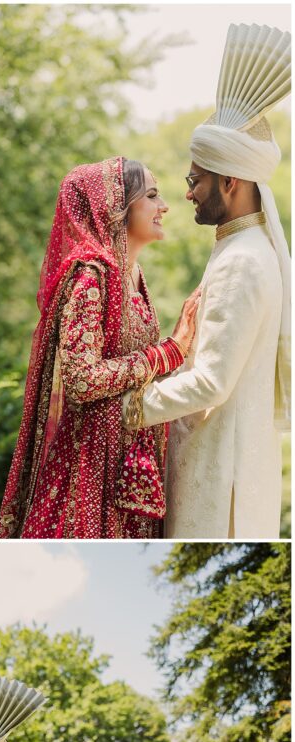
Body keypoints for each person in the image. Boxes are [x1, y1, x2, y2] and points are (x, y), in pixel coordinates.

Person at [129, 22, 291, 538]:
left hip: (221, 480)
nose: (189, 195)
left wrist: (131, 409)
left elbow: (214, 381)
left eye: (195, 181)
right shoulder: (241, 248)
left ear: (230, 181)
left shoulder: (243, 260)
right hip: (223, 460)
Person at [0, 157, 199, 539]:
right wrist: (168, 352)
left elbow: (129, 369)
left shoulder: (133, 276)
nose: (165, 207)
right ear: (114, 208)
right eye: (152, 196)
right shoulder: (91, 278)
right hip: (90, 472)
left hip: (129, 463)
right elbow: (82, 378)